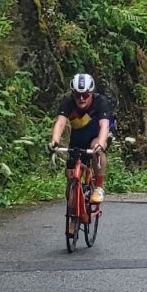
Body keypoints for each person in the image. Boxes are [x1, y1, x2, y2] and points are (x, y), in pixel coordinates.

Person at [49, 73, 111, 204]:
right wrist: (55, 141)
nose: (81, 99)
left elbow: (104, 125)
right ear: (73, 94)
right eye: (77, 95)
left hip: (95, 137)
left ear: (91, 93)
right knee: (70, 183)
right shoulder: (68, 101)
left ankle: (98, 187)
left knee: (96, 148)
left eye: (85, 95)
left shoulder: (100, 101)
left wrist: (101, 143)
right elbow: (60, 122)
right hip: (77, 140)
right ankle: (73, 211)